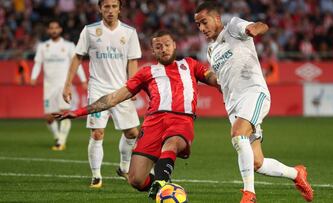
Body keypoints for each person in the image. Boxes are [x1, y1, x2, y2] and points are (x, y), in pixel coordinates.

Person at [54, 30, 219, 199]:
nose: (163, 49)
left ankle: (161, 184)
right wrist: (79, 112)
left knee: (172, 143)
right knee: (136, 179)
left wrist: (223, 84)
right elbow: (113, 98)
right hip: (153, 123)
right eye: (158, 46)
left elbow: (212, 78)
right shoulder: (146, 72)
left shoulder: (190, 64)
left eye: (167, 45)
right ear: (153, 52)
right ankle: (165, 189)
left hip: (181, 119)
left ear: (175, 45)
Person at [194, 2, 313, 203]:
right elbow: (222, 81)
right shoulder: (211, 50)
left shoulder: (233, 27)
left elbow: (261, 25)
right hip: (233, 105)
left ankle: (249, 194)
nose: (201, 28)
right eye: (198, 25)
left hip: (254, 93)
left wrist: (254, 28)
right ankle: (296, 173)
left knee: (238, 134)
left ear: (216, 19)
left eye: (204, 22)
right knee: (257, 162)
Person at [62, 0, 141, 188]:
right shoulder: (89, 31)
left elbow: (132, 61)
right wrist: (67, 85)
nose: (111, 10)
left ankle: (124, 167)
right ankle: (96, 176)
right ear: (100, 9)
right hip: (98, 89)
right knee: (97, 133)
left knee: (132, 133)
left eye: (114, 6)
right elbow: (77, 57)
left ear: (120, 9)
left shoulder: (129, 32)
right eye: (106, 6)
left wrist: (134, 86)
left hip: (121, 89)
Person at [30, 19, 87, 151]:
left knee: (64, 113)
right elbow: (38, 63)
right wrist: (33, 77)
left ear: (60, 30)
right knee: (49, 117)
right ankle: (57, 137)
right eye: (51, 28)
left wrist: (83, 80)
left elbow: (76, 64)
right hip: (49, 86)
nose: (54, 30)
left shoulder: (68, 45)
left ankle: (61, 141)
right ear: (48, 30)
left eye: (56, 28)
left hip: (64, 86)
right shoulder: (43, 47)